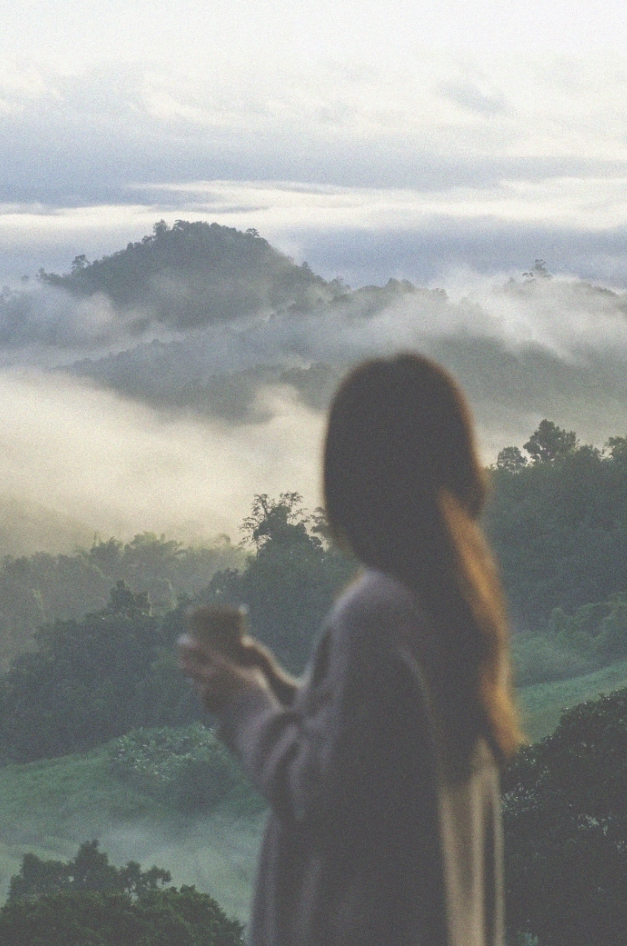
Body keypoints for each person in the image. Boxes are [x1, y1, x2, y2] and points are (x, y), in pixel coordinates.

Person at [178, 353, 522, 946]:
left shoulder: (376, 612)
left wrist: (245, 705)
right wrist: (282, 689)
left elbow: (324, 802)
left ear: (352, 477)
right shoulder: (454, 596)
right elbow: (383, 752)